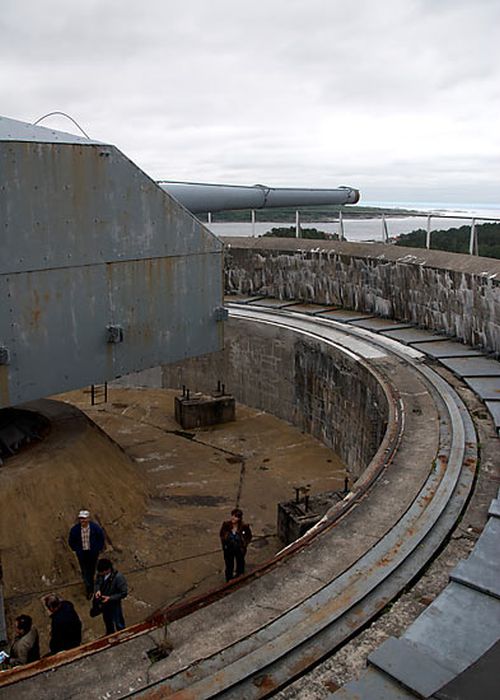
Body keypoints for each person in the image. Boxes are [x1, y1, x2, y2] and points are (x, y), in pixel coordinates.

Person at [68, 509, 105, 599]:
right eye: (81, 518)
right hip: (82, 553)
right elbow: (71, 541)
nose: (82, 521)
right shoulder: (75, 530)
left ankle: (92, 583)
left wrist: (98, 549)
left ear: (88, 519)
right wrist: (76, 549)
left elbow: (101, 538)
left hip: (92, 553)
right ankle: (89, 589)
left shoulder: (95, 528)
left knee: (92, 570)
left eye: (84, 518)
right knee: (85, 571)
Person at [93, 558, 128, 635]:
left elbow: (124, 593)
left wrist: (110, 598)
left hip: (114, 603)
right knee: (107, 620)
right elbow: (97, 583)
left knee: (118, 621)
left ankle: (122, 634)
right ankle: (110, 633)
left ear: (107, 570)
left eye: (102, 572)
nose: (100, 574)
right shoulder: (100, 574)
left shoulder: (118, 577)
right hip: (104, 603)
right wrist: (97, 590)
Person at [219, 508, 252, 582]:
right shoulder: (226, 525)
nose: (233, 518)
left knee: (240, 563)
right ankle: (229, 580)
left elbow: (249, 536)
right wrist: (224, 545)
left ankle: (240, 576)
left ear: (239, 518)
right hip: (229, 549)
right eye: (233, 516)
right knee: (229, 565)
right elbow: (221, 535)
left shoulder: (244, 526)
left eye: (236, 516)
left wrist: (244, 545)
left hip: (239, 549)